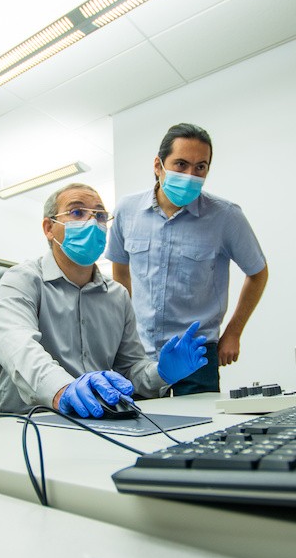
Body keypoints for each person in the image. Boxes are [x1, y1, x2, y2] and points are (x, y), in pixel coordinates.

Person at [0, 183, 207, 418]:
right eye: (77, 212)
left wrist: (161, 373)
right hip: (26, 420)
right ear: (49, 228)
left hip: (96, 418)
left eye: (100, 216)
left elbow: (130, 369)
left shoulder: (118, 295)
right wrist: (62, 389)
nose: (92, 222)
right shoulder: (22, 279)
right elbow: (16, 344)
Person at [106, 123, 268, 395]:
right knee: (137, 431)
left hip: (196, 354)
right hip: (138, 353)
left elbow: (258, 272)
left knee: (198, 430)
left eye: (200, 167)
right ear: (158, 166)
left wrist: (234, 332)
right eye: (181, 164)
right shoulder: (127, 210)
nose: (191, 175)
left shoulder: (226, 216)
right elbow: (120, 270)